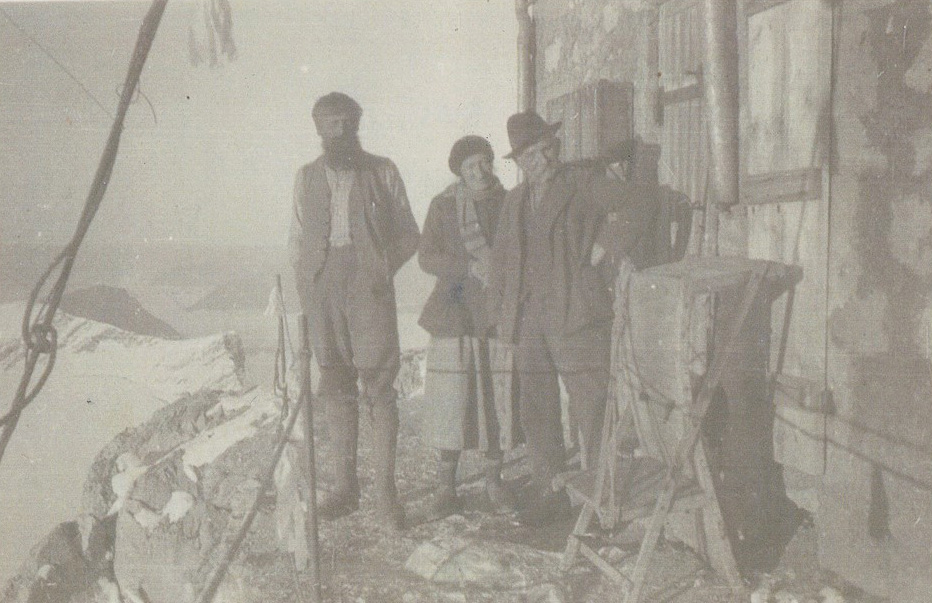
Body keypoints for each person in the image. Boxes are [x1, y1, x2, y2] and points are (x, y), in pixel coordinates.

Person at [488, 111, 654, 525]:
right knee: (536, 409)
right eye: (529, 155)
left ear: (555, 147)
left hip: (577, 312)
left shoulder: (581, 183)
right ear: (518, 161)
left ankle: (603, 500)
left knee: (592, 407)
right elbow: (502, 261)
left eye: (546, 149)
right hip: (529, 321)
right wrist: (503, 319)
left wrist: (604, 247)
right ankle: (551, 492)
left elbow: (640, 203)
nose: (541, 159)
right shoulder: (514, 201)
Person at [288, 92, 419, 530]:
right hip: (323, 289)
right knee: (334, 381)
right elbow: (297, 238)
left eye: (346, 122)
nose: (339, 130)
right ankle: (345, 488)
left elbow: (409, 233)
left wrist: (380, 270)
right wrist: (308, 287)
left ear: (357, 124)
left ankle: (385, 494)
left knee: (379, 385)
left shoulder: (383, 171)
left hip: (369, 288)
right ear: (318, 128)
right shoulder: (305, 177)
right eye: (330, 123)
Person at [417, 136, 518, 518]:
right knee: (451, 401)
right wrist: (466, 266)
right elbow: (426, 257)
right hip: (454, 312)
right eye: (470, 165)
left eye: (484, 162)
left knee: (497, 398)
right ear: (459, 171)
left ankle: (494, 481)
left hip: (495, 313)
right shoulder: (443, 206)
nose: (479, 171)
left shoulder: (509, 202)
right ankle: (446, 487)